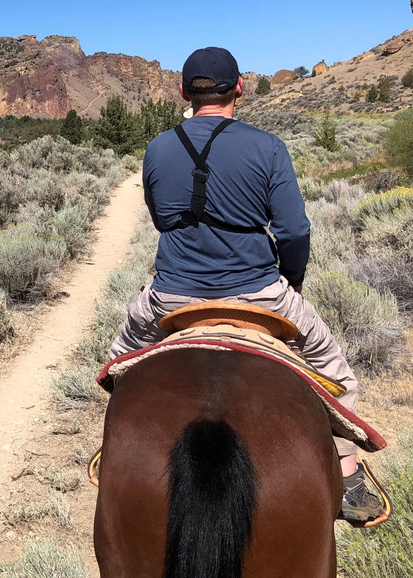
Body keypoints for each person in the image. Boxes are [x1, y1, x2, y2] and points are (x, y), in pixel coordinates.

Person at [108, 46, 385, 525]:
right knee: (333, 369)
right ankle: (347, 470)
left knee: (118, 364)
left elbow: (159, 219)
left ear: (183, 93)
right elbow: (295, 231)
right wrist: (290, 284)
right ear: (239, 87)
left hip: (171, 294)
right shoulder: (267, 146)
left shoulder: (157, 148)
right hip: (259, 292)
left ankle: (114, 451)